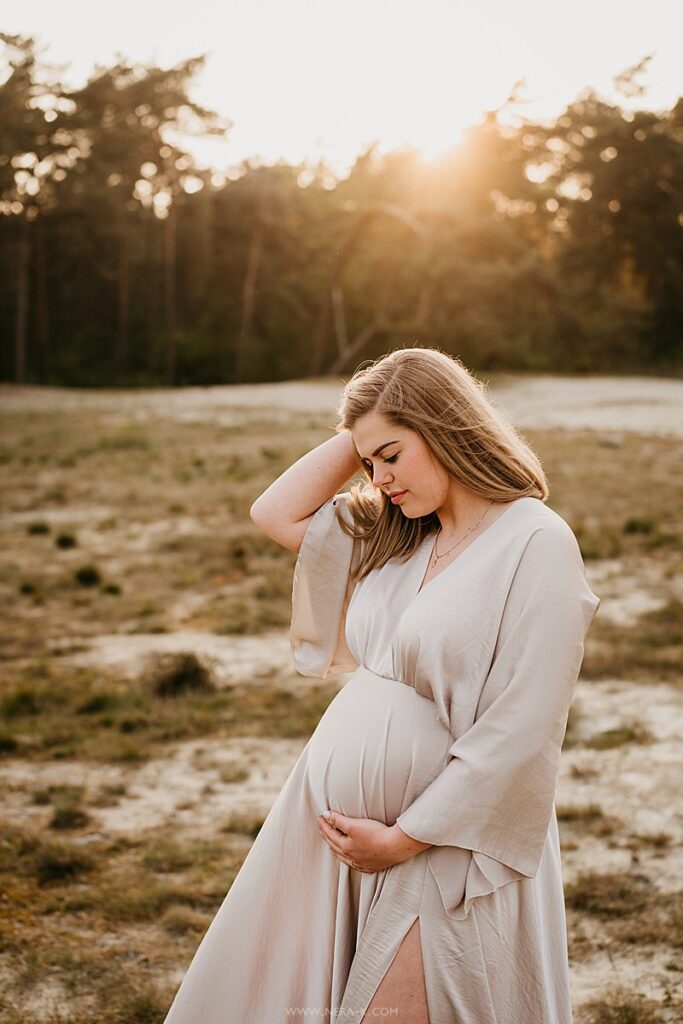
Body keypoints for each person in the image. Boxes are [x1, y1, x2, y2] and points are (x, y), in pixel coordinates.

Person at [162, 346, 600, 1024]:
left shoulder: (534, 541)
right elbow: (275, 513)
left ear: (446, 425)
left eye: (393, 455)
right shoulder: (396, 533)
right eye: (369, 464)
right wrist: (364, 426)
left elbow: (523, 728)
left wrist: (403, 839)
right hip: (343, 845)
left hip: (449, 840)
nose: (380, 477)